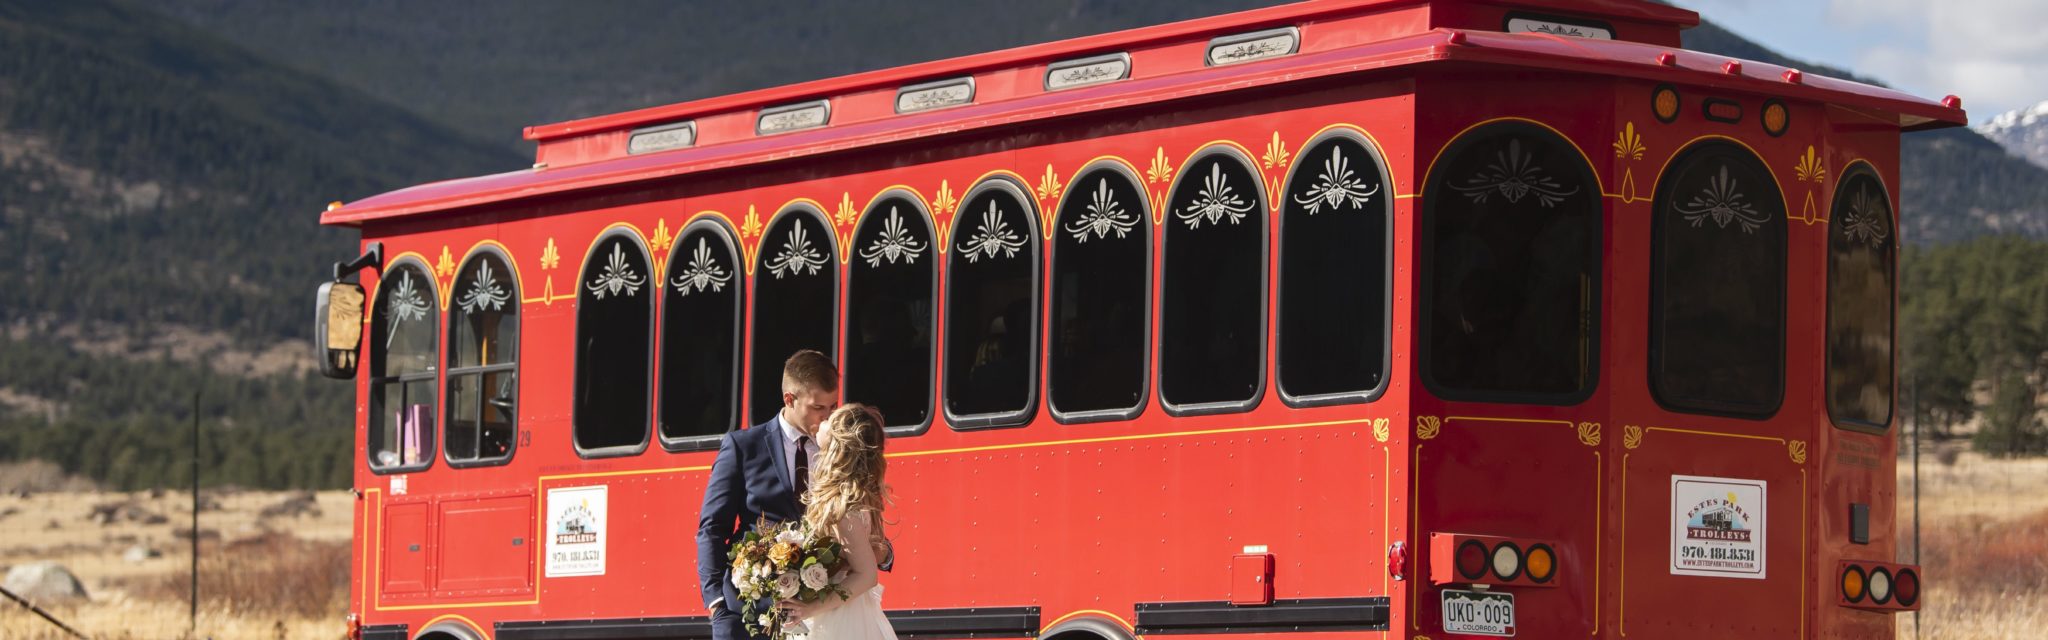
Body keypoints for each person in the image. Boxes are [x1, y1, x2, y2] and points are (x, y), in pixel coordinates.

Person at [699, 350, 840, 640]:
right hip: (746, 614)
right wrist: (715, 602)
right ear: (790, 399)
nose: (827, 417)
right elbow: (712, 528)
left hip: (816, 615)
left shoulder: (835, 451)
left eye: (832, 406)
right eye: (818, 407)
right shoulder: (743, 447)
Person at [787, 404, 897, 640]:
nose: (822, 420)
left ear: (838, 442)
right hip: (846, 611)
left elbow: (867, 575)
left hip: (837, 619)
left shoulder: (842, 505)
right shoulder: (854, 496)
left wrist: (811, 607)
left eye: (830, 419)